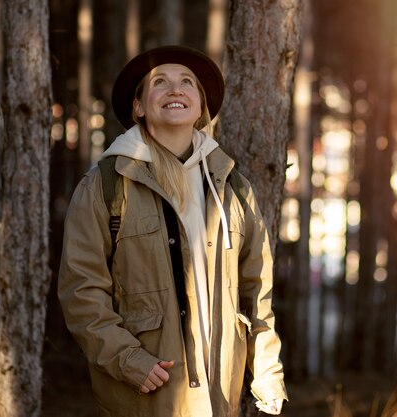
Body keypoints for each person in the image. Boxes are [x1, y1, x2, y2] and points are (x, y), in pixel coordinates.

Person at [58, 45, 287, 417]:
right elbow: (81, 290)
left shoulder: (231, 187)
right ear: (139, 107)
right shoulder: (105, 185)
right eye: (159, 82)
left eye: (187, 83)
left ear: (200, 106)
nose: (175, 89)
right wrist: (129, 359)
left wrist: (266, 371)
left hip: (219, 395)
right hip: (146, 393)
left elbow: (256, 291)